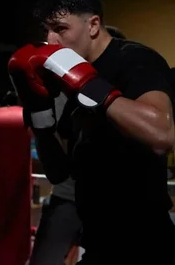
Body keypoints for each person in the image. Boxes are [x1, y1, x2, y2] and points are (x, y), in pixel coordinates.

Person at [8, 0, 175, 264]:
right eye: (46, 30)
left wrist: (91, 87)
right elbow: (59, 172)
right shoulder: (59, 77)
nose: (51, 41)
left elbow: (161, 137)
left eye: (61, 29)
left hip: (144, 242)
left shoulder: (135, 60)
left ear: (94, 25)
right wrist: (39, 114)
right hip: (97, 240)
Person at [28, 25, 128, 265]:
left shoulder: (128, 97)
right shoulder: (61, 92)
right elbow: (55, 168)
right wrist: (36, 111)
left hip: (115, 201)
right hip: (68, 196)